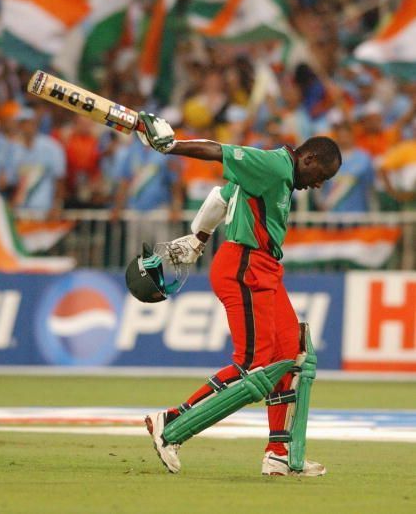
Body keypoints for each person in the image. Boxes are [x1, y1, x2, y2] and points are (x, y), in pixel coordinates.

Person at [136, 112, 341, 477]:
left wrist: (198, 240)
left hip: (263, 270)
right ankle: (169, 423)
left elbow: (220, 196)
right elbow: (220, 151)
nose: (319, 185)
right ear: (308, 159)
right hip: (245, 267)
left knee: (293, 355)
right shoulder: (275, 165)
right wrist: (172, 147)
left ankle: (279, 452)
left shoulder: (273, 177)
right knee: (253, 366)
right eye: (321, 176)